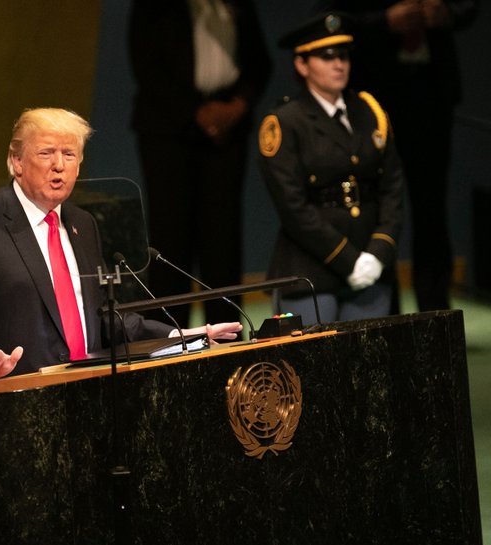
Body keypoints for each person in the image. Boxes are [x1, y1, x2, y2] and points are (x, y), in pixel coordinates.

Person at [0, 107, 243, 396]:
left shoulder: (82, 224)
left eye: (69, 155)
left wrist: (179, 336)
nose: (59, 165)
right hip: (5, 403)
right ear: (16, 161)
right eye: (46, 153)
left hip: (83, 397)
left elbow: (100, 318)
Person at [313, 0, 478, 312]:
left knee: (432, 211)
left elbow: (469, 6)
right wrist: (384, 20)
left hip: (432, 93)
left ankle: (436, 315)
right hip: (377, 95)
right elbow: (328, 14)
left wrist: (447, 14)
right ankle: (386, 314)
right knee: (376, 206)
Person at [128, 0, 272, 327]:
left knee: (223, 244)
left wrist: (238, 105)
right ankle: (169, 346)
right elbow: (146, 65)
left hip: (227, 134)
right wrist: (197, 112)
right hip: (168, 132)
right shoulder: (154, 6)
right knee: (169, 244)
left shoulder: (237, 4)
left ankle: (228, 346)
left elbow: (260, 62)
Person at [257, 12, 405, 325]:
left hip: (370, 260)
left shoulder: (369, 111)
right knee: (313, 366)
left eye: (343, 56)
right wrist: (349, 261)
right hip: (311, 266)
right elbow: (293, 208)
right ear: (301, 64)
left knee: (370, 365)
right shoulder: (285, 122)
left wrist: (379, 252)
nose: (339, 64)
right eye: (326, 57)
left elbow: (392, 187)